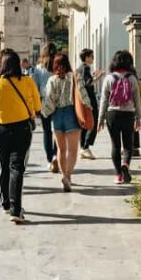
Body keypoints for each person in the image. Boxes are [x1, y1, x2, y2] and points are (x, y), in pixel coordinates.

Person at [0, 48, 41, 224]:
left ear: (1, 64)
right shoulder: (28, 82)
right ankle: (16, 209)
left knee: (4, 166)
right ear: (17, 65)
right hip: (22, 129)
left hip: (0, 129)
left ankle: (6, 203)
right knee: (17, 167)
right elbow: (37, 106)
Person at [41, 53, 90, 192]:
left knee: (61, 150)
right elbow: (82, 95)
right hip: (71, 114)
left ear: (54, 65)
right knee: (72, 150)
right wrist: (89, 110)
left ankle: (63, 175)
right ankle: (68, 176)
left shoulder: (52, 80)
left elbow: (48, 99)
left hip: (56, 116)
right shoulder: (74, 77)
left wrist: (44, 113)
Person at [98, 50, 141, 184]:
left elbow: (104, 100)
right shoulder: (132, 79)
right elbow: (137, 100)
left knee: (115, 145)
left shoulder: (109, 78)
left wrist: (100, 119)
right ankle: (126, 165)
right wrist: (138, 118)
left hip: (112, 114)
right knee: (128, 145)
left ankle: (118, 175)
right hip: (128, 114)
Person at [32, 42, 58, 172]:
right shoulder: (58, 65)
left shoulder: (38, 68)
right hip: (58, 101)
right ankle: (56, 155)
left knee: (47, 131)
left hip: (44, 101)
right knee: (58, 130)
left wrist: (35, 106)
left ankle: (50, 158)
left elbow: (35, 87)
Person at [76, 48, 104, 159]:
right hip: (89, 97)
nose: (93, 59)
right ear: (86, 57)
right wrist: (98, 76)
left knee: (84, 122)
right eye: (92, 56)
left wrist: (94, 76)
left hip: (82, 98)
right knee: (93, 121)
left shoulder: (79, 68)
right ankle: (86, 147)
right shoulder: (86, 67)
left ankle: (83, 147)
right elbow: (88, 83)